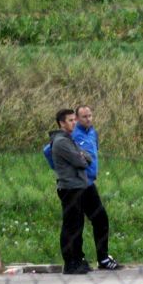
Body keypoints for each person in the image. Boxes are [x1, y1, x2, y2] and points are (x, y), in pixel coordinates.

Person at [72, 105, 122, 270]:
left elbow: (94, 153)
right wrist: (62, 172)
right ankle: (77, 259)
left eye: (90, 116)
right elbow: (49, 151)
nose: (88, 119)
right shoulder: (72, 134)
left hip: (89, 183)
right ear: (77, 119)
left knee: (101, 218)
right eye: (84, 117)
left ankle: (103, 258)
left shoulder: (93, 132)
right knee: (77, 222)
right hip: (76, 184)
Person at [50, 109, 92, 275]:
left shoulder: (69, 139)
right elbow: (80, 162)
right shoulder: (61, 142)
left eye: (75, 119)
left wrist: (83, 156)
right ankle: (70, 262)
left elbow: (87, 157)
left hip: (78, 186)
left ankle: (77, 259)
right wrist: (82, 156)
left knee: (78, 225)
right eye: (70, 120)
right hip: (69, 187)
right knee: (71, 226)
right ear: (62, 123)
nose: (74, 123)